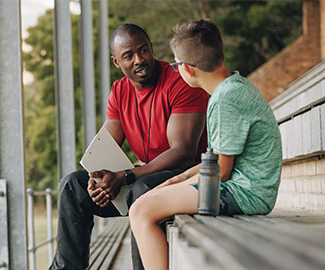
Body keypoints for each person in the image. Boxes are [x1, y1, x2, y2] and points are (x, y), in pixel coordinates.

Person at [49, 23, 209, 270]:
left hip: (187, 178)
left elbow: (183, 152)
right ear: (116, 62)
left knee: (141, 189)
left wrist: (126, 176)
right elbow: (106, 147)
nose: (139, 59)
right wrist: (97, 181)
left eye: (143, 50)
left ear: (151, 48)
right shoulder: (119, 90)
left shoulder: (180, 81)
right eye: (128, 55)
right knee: (73, 186)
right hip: (144, 175)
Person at [129, 19, 282, 270]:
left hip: (246, 194)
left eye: (177, 65)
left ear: (187, 69)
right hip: (244, 188)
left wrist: (169, 189)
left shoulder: (226, 100)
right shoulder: (232, 87)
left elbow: (221, 172)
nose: (177, 70)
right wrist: (176, 181)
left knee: (140, 211)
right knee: (148, 200)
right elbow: (214, 161)